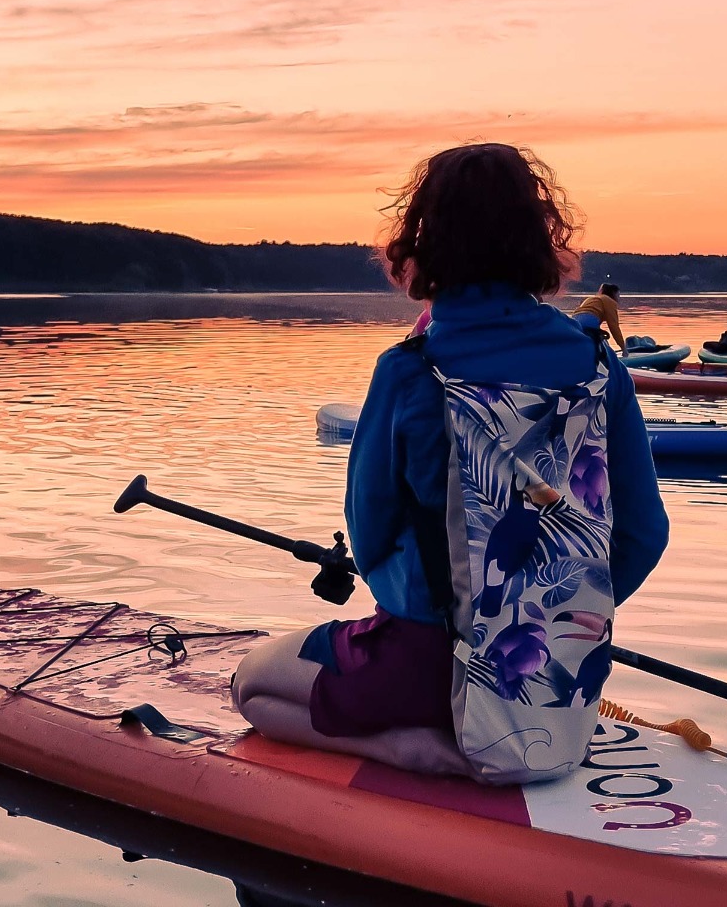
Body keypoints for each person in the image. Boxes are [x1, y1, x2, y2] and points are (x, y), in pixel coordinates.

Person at [232, 143, 668, 775]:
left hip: (422, 661)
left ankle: (403, 749)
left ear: (423, 241)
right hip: (554, 671)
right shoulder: (602, 368)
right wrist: (555, 620)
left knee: (253, 686)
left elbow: (372, 533)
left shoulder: (410, 371)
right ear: (540, 238)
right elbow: (644, 534)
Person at [573, 282, 626, 352]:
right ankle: (607, 359)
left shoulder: (591, 299)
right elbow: (614, 326)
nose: (619, 298)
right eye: (618, 295)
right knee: (601, 344)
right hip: (589, 320)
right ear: (613, 294)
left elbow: (583, 313)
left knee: (585, 342)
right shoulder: (610, 301)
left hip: (575, 320)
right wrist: (623, 348)